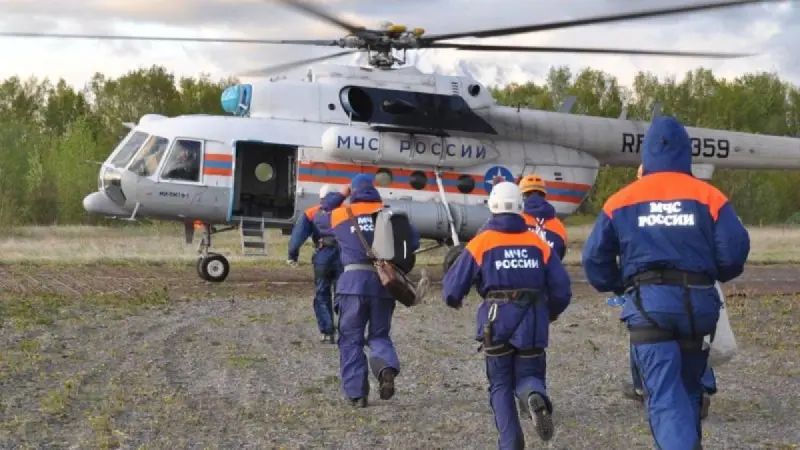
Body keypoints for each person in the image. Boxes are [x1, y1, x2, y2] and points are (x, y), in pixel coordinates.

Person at [582, 116, 750, 450]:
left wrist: (620, 285)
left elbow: (594, 259)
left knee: (664, 396)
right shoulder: (710, 196)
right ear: (686, 152)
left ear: (646, 154)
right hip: (698, 307)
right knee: (689, 389)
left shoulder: (621, 200)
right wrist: (709, 275)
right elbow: (734, 251)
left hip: (650, 307)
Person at [442, 181, 572, 449]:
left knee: (500, 384)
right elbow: (562, 289)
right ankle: (533, 393)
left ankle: (510, 443)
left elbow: (452, 289)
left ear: (492, 206)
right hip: (533, 322)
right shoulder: (538, 243)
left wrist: (455, 301)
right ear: (520, 207)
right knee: (530, 374)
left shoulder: (481, 242)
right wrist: (550, 313)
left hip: (495, 321)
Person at [621, 165, 718, 420]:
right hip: (696, 285)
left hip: (652, 289)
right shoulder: (694, 202)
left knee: (644, 335)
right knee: (695, 340)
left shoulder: (636, 207)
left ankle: (643, 386)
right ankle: (702, 385)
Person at [328, 174, 421, 407]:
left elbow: (323, 209)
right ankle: (385, 369)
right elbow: (413, 242)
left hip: (352, 285)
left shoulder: (340, 214)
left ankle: (357, 395)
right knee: (379, 335)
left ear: (354, 192)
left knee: (351, 340)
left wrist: (341, 194)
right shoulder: (389, 214)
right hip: (384, 283)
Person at [287, 184, 344, 343]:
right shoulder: (347, 211)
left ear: (321, 198)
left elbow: (297, 236)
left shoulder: (312, 212)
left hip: (323, 255)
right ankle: (346, 331)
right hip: (345, 255)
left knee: (322, 293)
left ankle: (327, 333)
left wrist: (293, 255)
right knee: (344, 293)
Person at [518, 174, 568, 260]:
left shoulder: (516, 221)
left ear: (522, 196)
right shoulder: (559, 226)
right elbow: (560, 255)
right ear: (544, 195)